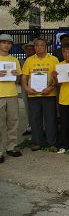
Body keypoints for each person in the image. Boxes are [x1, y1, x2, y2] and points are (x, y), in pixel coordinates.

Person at [21, 37, 59, 151]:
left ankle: (52, 142)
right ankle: (37, 142)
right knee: (35, 119)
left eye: (41, 45)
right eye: (37, 45)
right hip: (33, 94)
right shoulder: (29, 60)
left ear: (45, 47)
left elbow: (57, 77)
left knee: (50, 119)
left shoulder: (54, 59)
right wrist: (26, 88)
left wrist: (51, 87)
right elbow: (24, 76)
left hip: (49, 94)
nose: (39, 47)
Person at [0, 34, 23, 162]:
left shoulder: (14, 60)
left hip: (12, 93)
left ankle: (11, 146)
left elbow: (19, 78)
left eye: (8, 43)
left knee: (13, 121)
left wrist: (16, 75)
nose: (6, 45)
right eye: (3, 42)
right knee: (0, 123)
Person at [20, 41, 35, 136]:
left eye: (31, 49)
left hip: (37, 86)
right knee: (27, 107)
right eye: (27, 49)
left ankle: (42, 126)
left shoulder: (37, 59)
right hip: (25, 86)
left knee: (37, 107)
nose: (29, 50)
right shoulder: (21, 61)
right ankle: (30, 126)